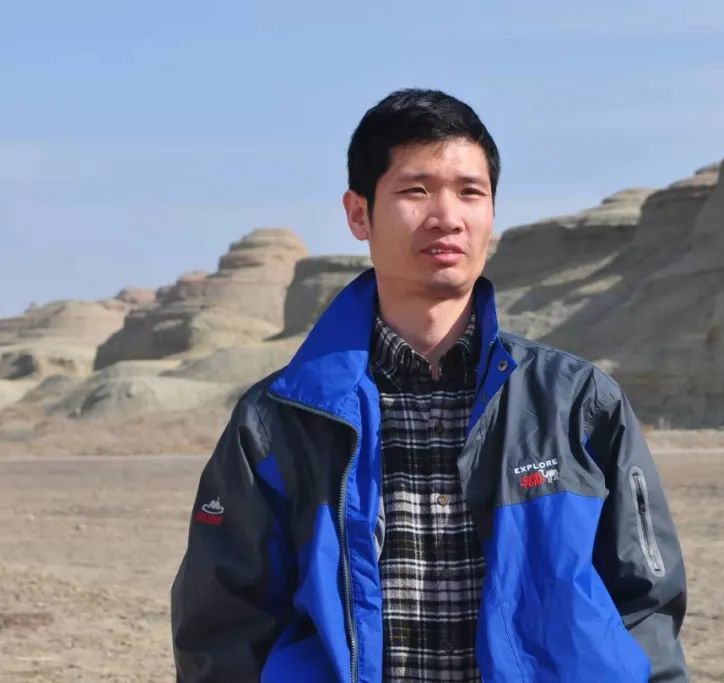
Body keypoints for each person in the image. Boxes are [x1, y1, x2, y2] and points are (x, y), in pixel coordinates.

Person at [171, 88, 688, 682]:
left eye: (471, 192)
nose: (448, 216)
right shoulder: (278, 420)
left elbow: (646, 608)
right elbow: (222, 628)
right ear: (359, 213)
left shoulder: (577, 403)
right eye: (416, 190)